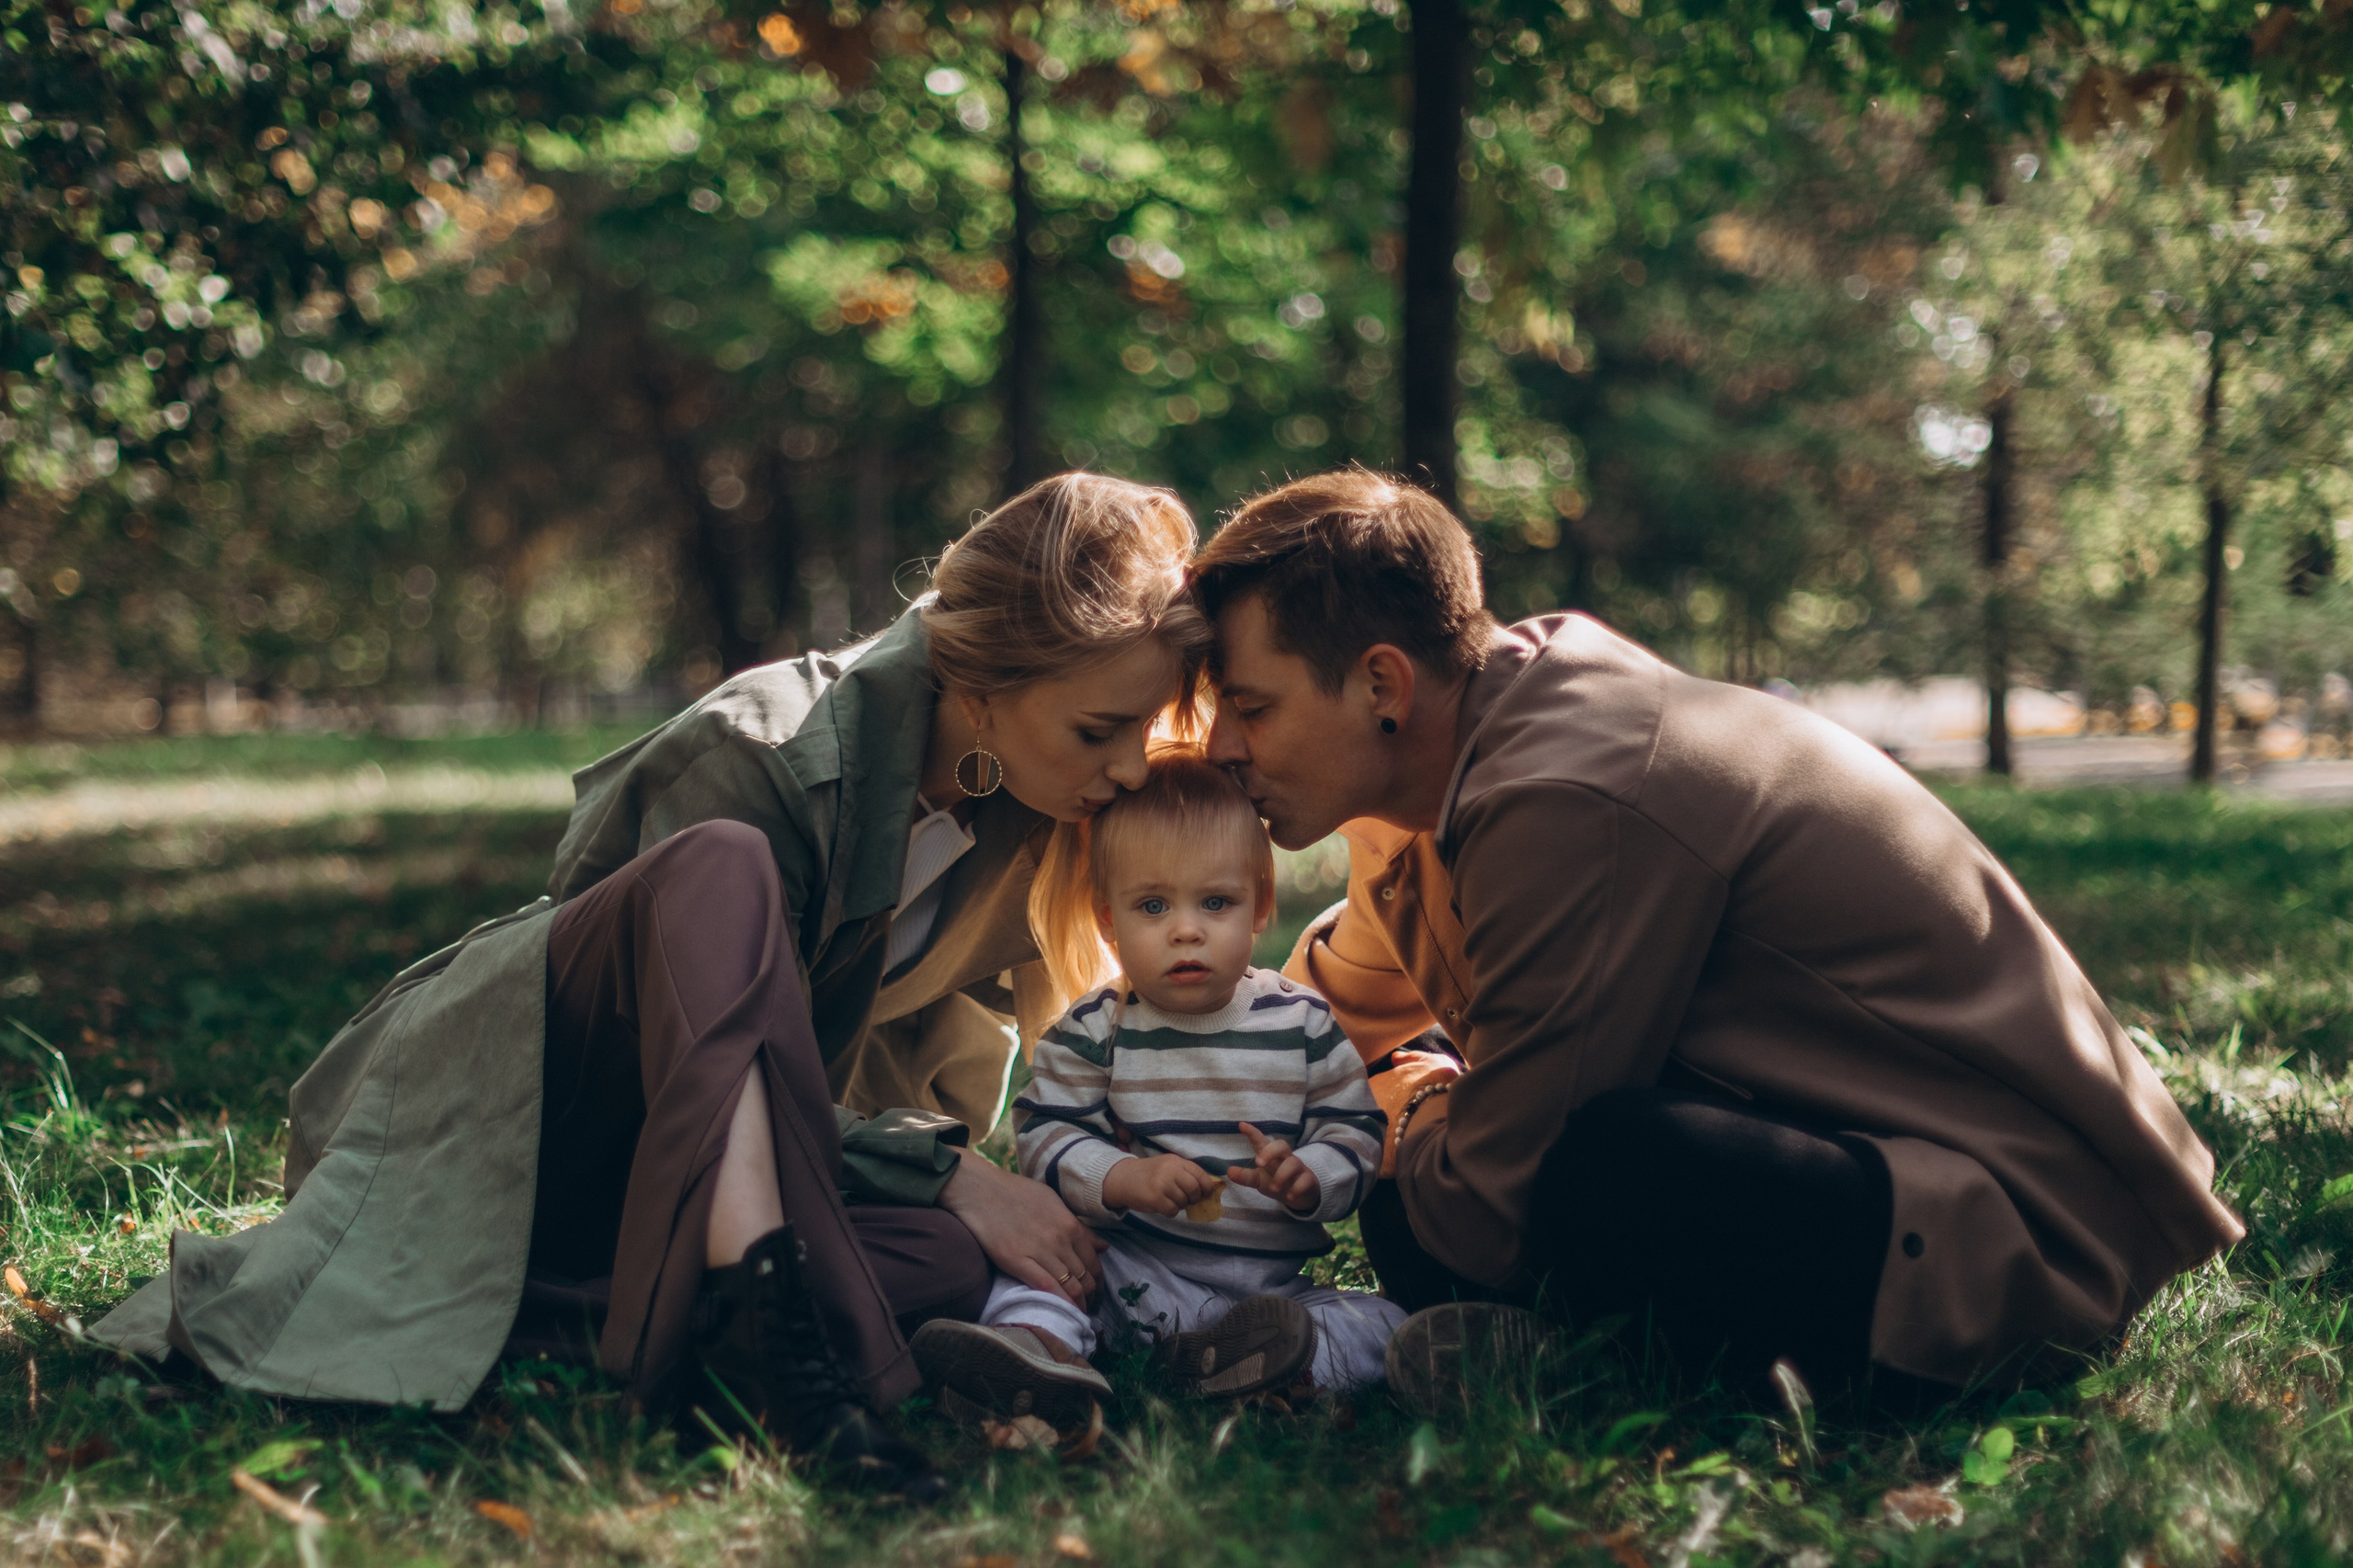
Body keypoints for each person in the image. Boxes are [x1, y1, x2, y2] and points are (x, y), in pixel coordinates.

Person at [88, 473, 1211, 1497]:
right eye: (1099, 728)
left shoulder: (1032, 805)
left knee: (956, 1254)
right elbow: (641, 1041)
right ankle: (787, 1362)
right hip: (540, 1120)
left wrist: (1078, 1185)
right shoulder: (759, 747)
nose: (1126, 766)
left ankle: (676, 1322)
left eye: (1141, 727)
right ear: (978, 686)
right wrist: (942, 1167)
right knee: (719, 865)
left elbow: (1003, 1052)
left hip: (737, 1183)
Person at [1189, 468, 2245, 1401]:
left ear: (1382, 683)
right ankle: (1535, 1347)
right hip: (1847, 1166)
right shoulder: (1432, 784)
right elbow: (1307, 1027)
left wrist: (1410, 1112)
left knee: (1600, 1168)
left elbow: (1491, 1205)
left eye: (1250, 706)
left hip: (2016, 1235)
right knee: (1459, 1188)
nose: (1223, 746)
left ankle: (1559, 1359)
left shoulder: (1564, 791)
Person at [908, 746, 1399, 1426]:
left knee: (1374, 1320)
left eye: (1216, 902)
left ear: (1261, 906)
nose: (1187, 929)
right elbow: (1045, 1134)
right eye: (1153, 905)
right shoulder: (1098, 1027)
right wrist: (1121, 1179)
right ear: (1107, 919)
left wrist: (1311, 1176)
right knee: (1041, 1284)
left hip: (1270, 1299)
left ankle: (1273, 1368)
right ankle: (1034, 1355)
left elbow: (1357, 1131)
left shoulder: (1303, 1024)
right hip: (1130, 1277)